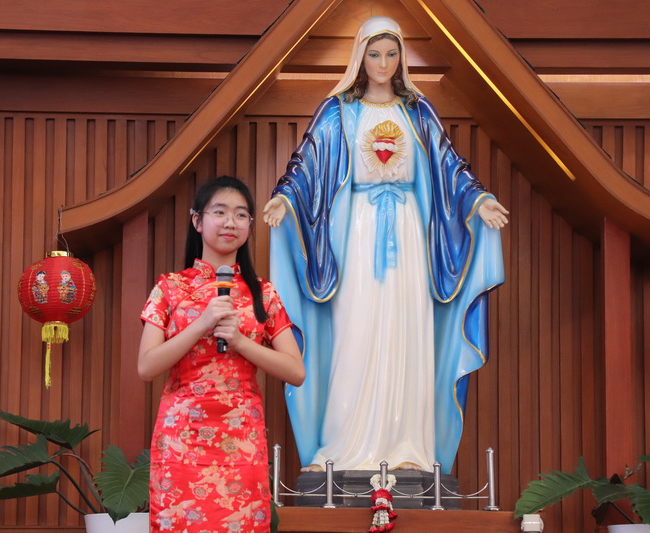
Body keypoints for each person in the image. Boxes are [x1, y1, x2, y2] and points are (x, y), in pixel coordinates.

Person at [263, 16, 507, 474]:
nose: (383, 63)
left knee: (407, 329)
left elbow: (450, 165)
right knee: (355, 331)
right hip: (356, 232)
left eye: (392, 54)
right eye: (374, 54)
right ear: (360, 57)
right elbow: (307, 161)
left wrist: (478, 199)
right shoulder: (338, 110)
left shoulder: (418, 111)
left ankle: (408, 447)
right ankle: (339, 447)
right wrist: (286, 197)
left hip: (410, 232)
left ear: (401, 59)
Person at [138, 176, 305, 532]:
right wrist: (201, 324)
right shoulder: (169, 287)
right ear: (197, 221)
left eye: (241, 215)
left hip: (240, 438)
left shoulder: (264, 293)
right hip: (181, 438)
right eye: (220, 212)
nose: (231, 222)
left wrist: (242, 343)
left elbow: (296, 371)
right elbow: (146, 367)